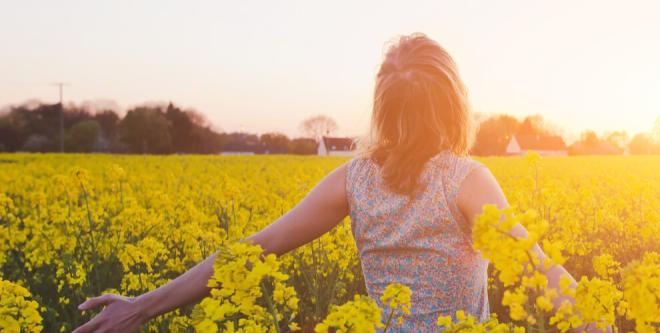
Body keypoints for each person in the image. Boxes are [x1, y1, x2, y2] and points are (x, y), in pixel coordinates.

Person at [73, 33, 581, 332]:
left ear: (380, 107)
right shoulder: (467, 180)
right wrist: (595, 316)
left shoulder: (353, 180)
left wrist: (140, 307)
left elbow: (254, 248)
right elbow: (538, 267)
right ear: (455, 104)